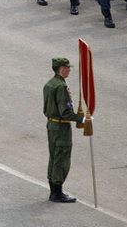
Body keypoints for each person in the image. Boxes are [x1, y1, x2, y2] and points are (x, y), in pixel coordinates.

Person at [43, 56, 83, 203]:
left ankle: (53, 191)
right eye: (67, 68)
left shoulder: (50, 84)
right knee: (62, 158)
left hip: (51, 125)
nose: (69, 71)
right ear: (61, 69)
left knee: (54, 157)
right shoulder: (60, 87)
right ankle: (57, 193)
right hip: (61, 127)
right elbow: (65, 112)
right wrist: (81, 119)